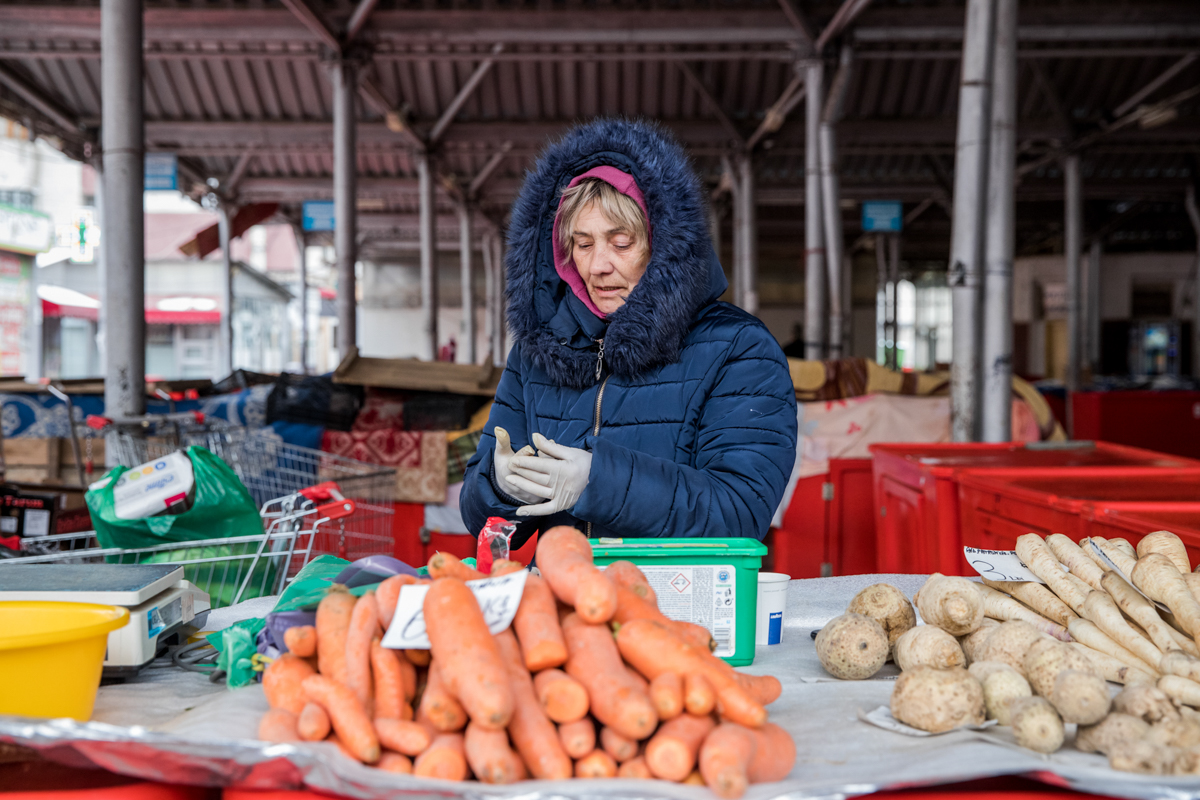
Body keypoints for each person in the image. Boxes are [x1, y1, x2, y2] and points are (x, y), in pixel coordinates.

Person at [460, 118, 797, 547]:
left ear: (663, 244)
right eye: (583, 245)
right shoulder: (538, 353)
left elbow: (740, 512)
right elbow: (476, 515)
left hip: (672, 603)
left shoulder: (738, 350)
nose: (598, 266)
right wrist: (499, 486)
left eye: (620, 243)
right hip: (562, 597)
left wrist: (597, 482)